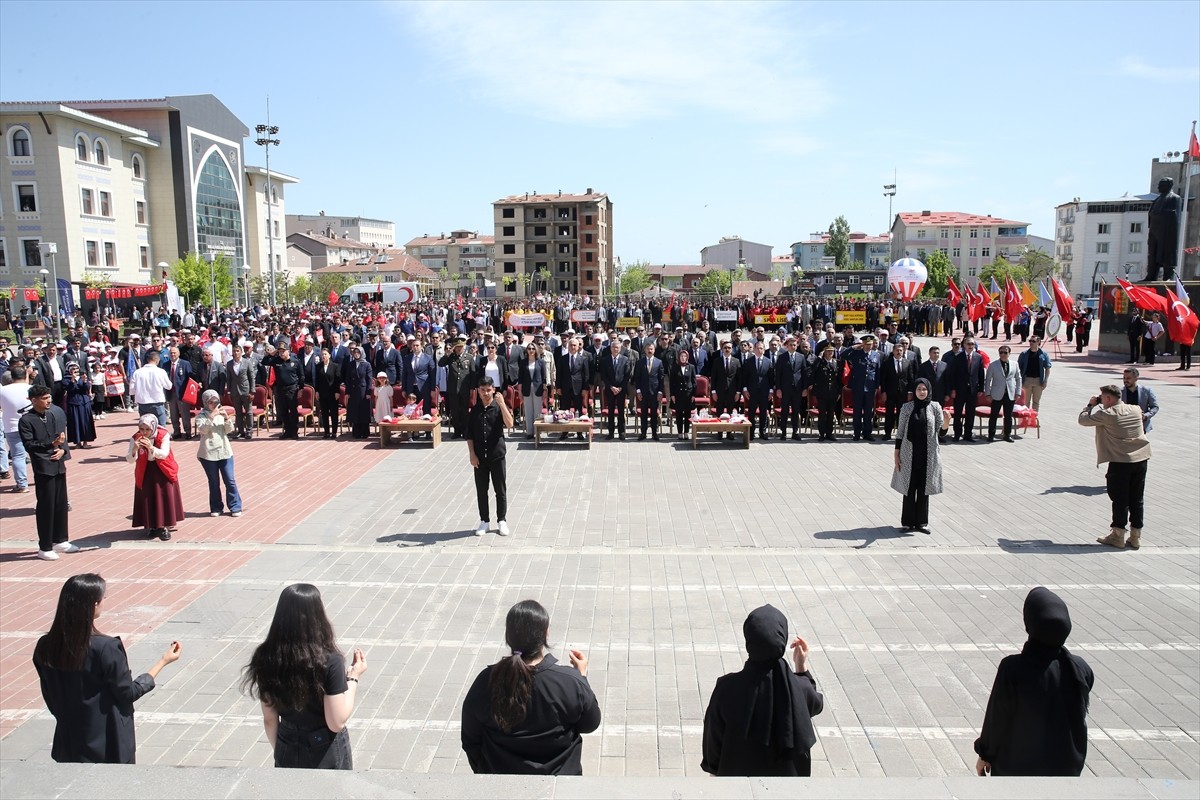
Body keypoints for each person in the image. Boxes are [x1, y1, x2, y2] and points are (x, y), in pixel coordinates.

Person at [33, 573, 182, 763]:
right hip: (108, 745)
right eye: (102, 598)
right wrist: (163, 661)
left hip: (69, 742)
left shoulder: (45, 646)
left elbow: (50, 694)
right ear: (93, 605)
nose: (104, 601)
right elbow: (128, 693)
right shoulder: (105, 648)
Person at [461, 599, 600, 775]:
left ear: (508, 636)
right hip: (559, 783)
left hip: (500, 784)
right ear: (545, 633)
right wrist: (582, 677)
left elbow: (471, 740)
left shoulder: (485, 682)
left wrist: (486, 772)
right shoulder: (570, 683)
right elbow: (590, 724)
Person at [242, 583, 367, 770]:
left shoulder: (266, 656)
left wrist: (283, 750)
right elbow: (336, 721)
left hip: (287, 742)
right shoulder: (328, 660)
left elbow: (269, 718)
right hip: (325, 748)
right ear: (317, 614)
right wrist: (353, 678)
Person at [973, 587, 1093, 776]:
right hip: (1066, 771)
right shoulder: (1079, 668)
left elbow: (997, 718)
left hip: (1017, 771)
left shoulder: (1013, 669)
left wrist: (985, 754)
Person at [701, 604, 824, 776]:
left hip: (737, 782)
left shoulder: (726, 688)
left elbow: (713, 736)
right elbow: (815, 704)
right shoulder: (798, 688)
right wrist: (801, 666)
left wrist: (713, 769)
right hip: (790, 788)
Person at [1079, 385, 1152, 550]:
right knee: (1137, 498)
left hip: (1120, 462)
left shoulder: (1107, 414)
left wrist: (1090, 405)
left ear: (1109, 399)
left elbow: (1083, 420)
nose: (1102, 401)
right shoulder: (1135, 409)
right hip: (1141, 459)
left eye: (1103, 398)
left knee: (1120, 499)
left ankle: (1117, 536)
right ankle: (1135, 537)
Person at [20, 384, 76, 560]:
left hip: (58, 465)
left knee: (61, 504)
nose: (49, 400)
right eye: (45, 398)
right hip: (43, 468)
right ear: (33, 400)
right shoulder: (26, 420)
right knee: (46, 506)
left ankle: (60, 539)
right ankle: (44, 546)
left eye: (49, 397)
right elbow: (30, 446)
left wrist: (63, 451)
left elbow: (61, 439)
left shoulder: (52, 414)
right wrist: (51, 446)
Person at [892, 378, 951, 533]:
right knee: (909, 488)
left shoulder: (935, 407)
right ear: (914, 391)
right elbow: (900, 433)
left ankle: (922, 523)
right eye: (918, 389)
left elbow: (941, 432)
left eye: (924, 389)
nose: (922, 392)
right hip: (908, 453)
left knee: (924, 489)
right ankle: (907, 522)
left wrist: (946, 423)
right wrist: (897, 454)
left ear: (928, 390)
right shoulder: (907, 408)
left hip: (928, 455)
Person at [126, 414, 184, 542]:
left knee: (164, 496)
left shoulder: (163, 434)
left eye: (147, 429)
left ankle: (164, 526)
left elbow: (163, 454)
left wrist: (151, 447)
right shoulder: (135, 438)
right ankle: (152, 525)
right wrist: (135, 449)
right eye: (142, 429)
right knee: (148, 496)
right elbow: (130, 460)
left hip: (162, 469)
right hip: (145, 470)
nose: (145, 432)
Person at [469, 376, 514, 537]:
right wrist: (472, 454)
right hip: (480, 457)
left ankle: (502, 520)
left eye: (488, 390)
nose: (486, 393)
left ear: (493, 390)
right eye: (482, 390)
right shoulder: (475, 410)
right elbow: (470, 435)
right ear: (478, 391)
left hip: (497, 455)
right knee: (482, 490)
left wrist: (502, 404)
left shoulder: (498, 406)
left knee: (500, 490)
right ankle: (484, 521)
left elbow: (510, 424)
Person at [195, 390, 242, 518]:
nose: (214, 404)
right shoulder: (201, 416)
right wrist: (211, 416)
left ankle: (235, 506)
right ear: (205, 402)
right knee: (214, 481)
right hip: (208, 453)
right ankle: (216, 507)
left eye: (216, 401)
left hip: (224, 451)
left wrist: (227, 418)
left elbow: (229, 430)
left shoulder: (221, 414)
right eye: (211, 402)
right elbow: (203, 430)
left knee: (230, 480)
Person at [1, 365, 33, 493]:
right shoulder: (31, 388)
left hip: (11, 425)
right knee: (36, 454)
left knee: (18, 456)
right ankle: (40, 478)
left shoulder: (3, 390)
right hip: (31, 426)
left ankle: (22, 484)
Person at [845, 334, 881, 441]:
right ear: (863, 344)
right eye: (866, 344)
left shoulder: (876, 355)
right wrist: (853, 347)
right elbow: (843, 355)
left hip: (870, 388)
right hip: (858, 387)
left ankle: (867, 433)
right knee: (857, 411)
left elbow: (877, 372)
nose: (868, 346)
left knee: (868, 412)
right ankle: (856, 433)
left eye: (870, 344)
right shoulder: (857, 353)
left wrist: (876, 387)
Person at [948, 336, 985, 442]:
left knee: (970, 413)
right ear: (964, 345)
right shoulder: (958, 357)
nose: (970, 346)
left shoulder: (978, 357)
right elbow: (953, 375)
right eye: (968, 344)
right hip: (959, 390)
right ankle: (957, 434)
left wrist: (980, 389)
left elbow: (981, 374)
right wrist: (953, 389)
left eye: (972, 344)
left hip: (972, 391)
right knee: (958, 413)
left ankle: (968, 434)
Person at [984, 346, 1022, 442]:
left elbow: (1018, 378)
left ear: (1009, 353)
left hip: (1010, 393)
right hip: (996, 394)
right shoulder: (993, 365)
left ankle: (1007, 435)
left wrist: (1018, 392)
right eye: (1001, 353)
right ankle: (991, 435)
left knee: (1008, 416)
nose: (1003, 355)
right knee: (994, 415)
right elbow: (988, 380)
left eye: (1005, 352)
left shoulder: (1015, 364)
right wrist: (987, 393)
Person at [597, 338, 630, 440]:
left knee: (621, 411)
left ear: (620, 349)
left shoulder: (625, 360)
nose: (615, 349)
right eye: (614, 347)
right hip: (610, 389)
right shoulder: (605, 360)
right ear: (610, 348)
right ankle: (610, 432)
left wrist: (620, 387)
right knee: (610, 411)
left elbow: (627, 376)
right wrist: (611, 387)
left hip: (621, 390)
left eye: (617, 347)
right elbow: (604, 376)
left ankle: (621, 432)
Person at [740, 341, 774, 440]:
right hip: (752, 392)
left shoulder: (768, 361)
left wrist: (771, 391)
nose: (759, 350)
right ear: (754, 349)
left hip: (764, 392)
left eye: (761, 348)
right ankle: (751, 432)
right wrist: (745, 389)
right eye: (758, 348)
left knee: (764, 412)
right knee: (751, 413)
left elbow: (771, 378)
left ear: (764, 350)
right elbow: (745, 377)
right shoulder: (748, 361)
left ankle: (763, 432)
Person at [128, 350, 172, 426]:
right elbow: (169, 386)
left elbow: (131, 390)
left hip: (142, 403)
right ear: (157, 360)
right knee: (161, 426)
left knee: (146, 426)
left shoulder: (137, 372)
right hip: (157, 402)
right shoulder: (161, 371)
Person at [61, 363, 96, 448]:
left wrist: (84, 382)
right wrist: (72, 380)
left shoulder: (82, 377)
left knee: (85, 422)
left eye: (76, 369)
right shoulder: (66, 379)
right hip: (74, 402)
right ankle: (77, 442)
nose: (75, 371)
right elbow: (69, 389)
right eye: (73, 369)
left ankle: (85, 442)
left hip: (84, 402)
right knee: (75, 422)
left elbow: (86, 388)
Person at [810, 343, 840, 441]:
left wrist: (839, 392)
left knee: (831, 414)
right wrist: (819, 357)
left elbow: (838, 379)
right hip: (822, 393)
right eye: (828, 351)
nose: (830, 353)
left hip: (833, 393)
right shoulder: (820, 362)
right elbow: (812, 370)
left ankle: (829, 433)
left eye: (832, 351)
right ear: (824, 352)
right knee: (822, 414)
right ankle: (821, 434)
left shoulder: (836, 362)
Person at [226, 344, 256, 440]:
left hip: (246, 390)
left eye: (238, 351)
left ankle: (249, 430)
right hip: (235, 391)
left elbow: (251, 377)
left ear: (241, 352)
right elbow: (229, 378)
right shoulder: (230, 364)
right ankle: (240, 431)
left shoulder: (247, 362)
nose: (236, 353)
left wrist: (252, 391)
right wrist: (229, 391)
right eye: (234, 351)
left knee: (249, 412)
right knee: (238, 412)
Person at [344, 346, 373, 440]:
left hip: (363, 391)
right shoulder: (351, 364)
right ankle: (356, 432)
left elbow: (369, 380)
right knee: (355, 411)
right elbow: (347, 378)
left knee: (363, 411)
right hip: (353, 391)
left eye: (358, 352)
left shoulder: (366, 364)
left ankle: (364, 432)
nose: (356, 354)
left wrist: (369, 392)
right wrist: (347, 391)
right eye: (355, 352)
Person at [1016, 337, 1051, 413]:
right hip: (1026, 380)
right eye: (1030, 341)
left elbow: (1048, 368)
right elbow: (1018, 368)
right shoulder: (1024, 354)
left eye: (1033, 341)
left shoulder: (1043, 354)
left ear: (1038, 342)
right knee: (1025, 402)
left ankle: (1033, 419)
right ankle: (1025, 419)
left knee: (1036, 402)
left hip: (1038, 380)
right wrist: (1018, 381)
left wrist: (1045, 381)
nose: (1031, 343)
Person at [1120, 367, 1159, 433]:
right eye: (1124, 378)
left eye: (1128, 378)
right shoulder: (1120, 392)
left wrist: (1146, 416)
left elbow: (1155, 407)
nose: (1125, 380)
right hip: (1124, 426)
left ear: (1136, 378)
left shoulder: (1146, 391)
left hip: (1141, 426)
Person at [314, 346, 341, 439]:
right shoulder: (318, 366)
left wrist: (337, 391)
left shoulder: (335, 366)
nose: (323, 356)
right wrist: (317, 391)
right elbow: (317, 380)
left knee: (334, 413)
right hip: (322, 393)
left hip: (333, 393)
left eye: (325, 354)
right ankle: (326, 432)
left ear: (329, 355)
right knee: (324, 413)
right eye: (322, 354)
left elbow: (337, 380)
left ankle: (334, 432)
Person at [670, 346, 697, 438]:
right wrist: (672, 395)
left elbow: (694, 382)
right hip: (678, 394)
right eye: (681, 356)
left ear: (687, 357)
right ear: (679, 357)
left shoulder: (691, 367)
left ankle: (686, 432)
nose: (683, 358)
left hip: (688, 394)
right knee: (679, 414)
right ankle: (680, 432)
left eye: (685, 356)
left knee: (687, 414)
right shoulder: (675, 367)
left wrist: (693, 394)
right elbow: (671, 382)